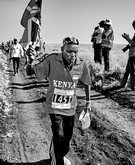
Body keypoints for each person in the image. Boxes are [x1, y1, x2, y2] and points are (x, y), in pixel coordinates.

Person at [26, 37, 91, 165]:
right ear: (62, 49)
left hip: (70, 108)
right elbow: (29, 72)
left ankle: (54, 152)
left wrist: (88, 103)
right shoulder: (52, 60)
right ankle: (57, 161)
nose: (72, 55)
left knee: (66, 140)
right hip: (54, 107)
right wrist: (30, 60)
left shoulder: (81, 65)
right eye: (69, 51)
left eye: (75, 52)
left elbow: (87, 83)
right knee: (59, 136)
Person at [120, 19, 135, 91]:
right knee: (128, 69)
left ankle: (134, 87)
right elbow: (131, 43)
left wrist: (127, 38)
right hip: (132, 54)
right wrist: (126, 47)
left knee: (132, 70)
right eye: (134, 26)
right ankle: (123, 84)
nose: (134, 28)